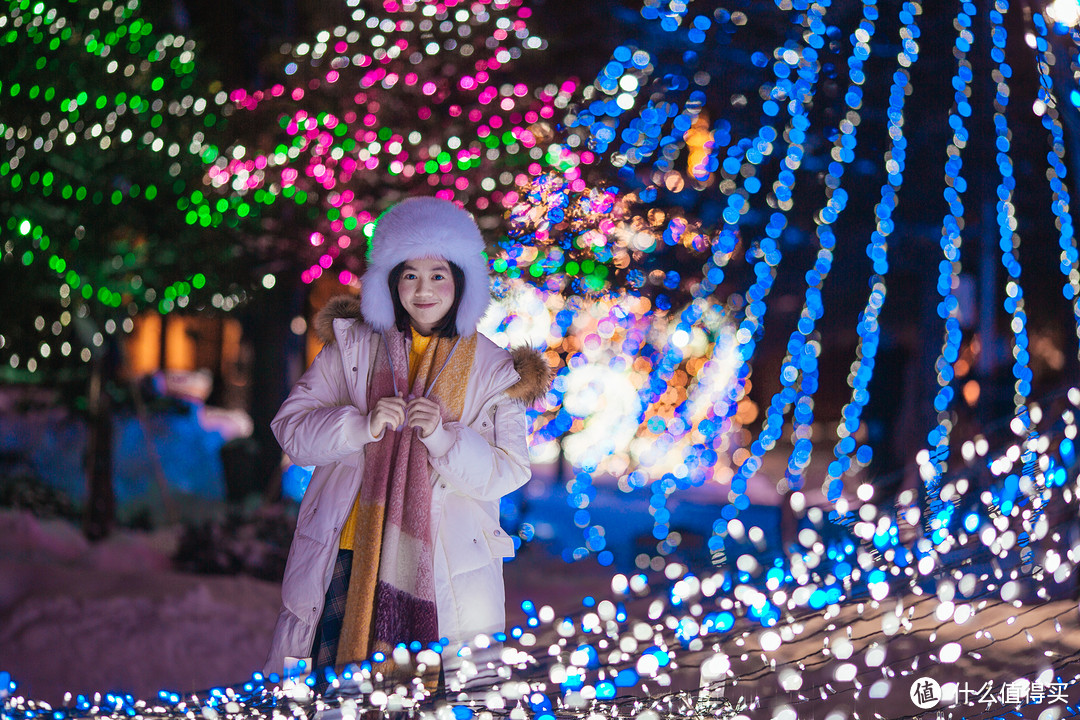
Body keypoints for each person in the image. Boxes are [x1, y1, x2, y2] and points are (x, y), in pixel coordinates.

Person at [263, 196, 551, 690]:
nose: (423, 289)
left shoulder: (493, 368)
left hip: (443, 567)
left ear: (461, 281)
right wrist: (360, 424)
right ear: (390, 282)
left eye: (438, 274)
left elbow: (509, 470)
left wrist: (444, 438)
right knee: (329, 696)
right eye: (409, 274)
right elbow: (291, 429)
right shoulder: (353, 347)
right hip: (346, 554)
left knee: (427, 699)